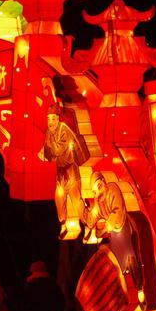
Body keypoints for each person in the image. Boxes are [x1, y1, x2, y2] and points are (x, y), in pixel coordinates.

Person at [82, 172, 144, 296]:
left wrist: (106, 227)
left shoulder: (112, 190)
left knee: (129, 253)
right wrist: (82, 210)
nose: (98, 192)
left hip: (123, 226)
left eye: (99, 186)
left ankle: (139, 287)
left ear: (103, 182)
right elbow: (92, 217)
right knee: (117, 261)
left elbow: (118, 212)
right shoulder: (99, 201)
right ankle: (124, 288)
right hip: (115, 235)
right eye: (95, 191)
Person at [39, 102, 89, 239]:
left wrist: (47, 149)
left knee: (76, 200)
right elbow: (48, 154)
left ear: (58, 119)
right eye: (48, 119)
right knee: (59, 197)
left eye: (53, 118)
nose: (51, 122)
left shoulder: (63, 129)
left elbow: (57, 150)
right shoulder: (49, 132)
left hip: (71, 170)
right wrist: (44, 152)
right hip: (60, 172)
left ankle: (87, 224)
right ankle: (63, 224)